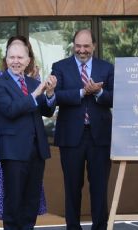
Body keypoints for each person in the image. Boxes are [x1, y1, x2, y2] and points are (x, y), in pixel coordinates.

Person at [0, 41, 57, 230]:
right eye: (12, 57)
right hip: (13, 152)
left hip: (36, 151)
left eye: (20, 57)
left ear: (28, 60)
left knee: (30, 203)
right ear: (6, 59)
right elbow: (10, 110)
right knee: (14, 203)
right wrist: (35, 94)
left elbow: (47, 111)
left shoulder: (33, 82)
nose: (16, 61)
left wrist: (50, 94)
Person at [51, 29, 114, 230]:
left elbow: (116, 97)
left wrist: (99, 92)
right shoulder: (60, 67)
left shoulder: (107, 68)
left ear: (93, 46)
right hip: (71, 137)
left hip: (100, 137)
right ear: (73, 45)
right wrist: (81, 92)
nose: (82, 50)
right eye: (78, 46)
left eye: (86, 46)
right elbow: (56, 96)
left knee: (99, 188)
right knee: (72, 188)